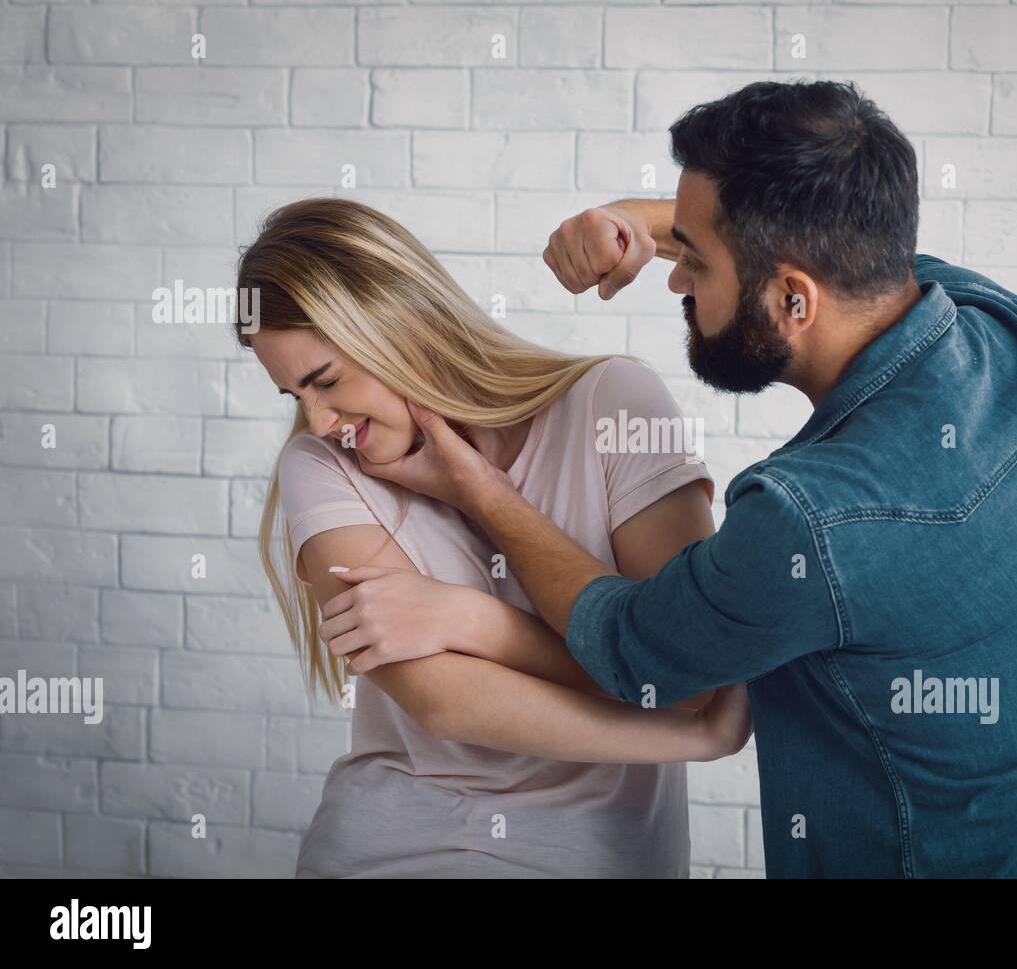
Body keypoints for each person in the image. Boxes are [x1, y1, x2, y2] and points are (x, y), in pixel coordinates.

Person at [345, 80, 1017, 878]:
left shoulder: (807, 522)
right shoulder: (1013, 337)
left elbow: (631, 650)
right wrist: (638, 220)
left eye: (697, 263)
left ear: (794, 298)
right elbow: (848, 249)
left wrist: (477, 490)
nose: (674, 276)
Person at [235, 196, 751, 878]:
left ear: (397, 324)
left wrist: (475, 590)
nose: (319, 418)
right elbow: (444, 703)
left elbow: (677, 671)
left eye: (325, 380)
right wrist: (686, 730)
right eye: (291, 395)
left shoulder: (613, 404)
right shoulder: (320, 466)